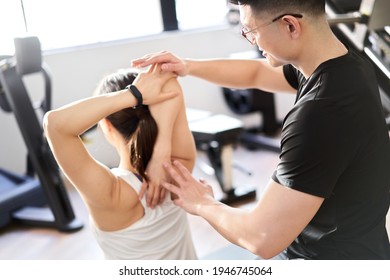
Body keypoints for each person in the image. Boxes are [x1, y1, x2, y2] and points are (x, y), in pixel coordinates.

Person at [131, 0, 390, 259]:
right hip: (366, 246)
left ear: (290, 25)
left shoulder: (319, 114)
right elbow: (256, 73)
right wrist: (186, 66)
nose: (251, 41)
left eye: (252, 31)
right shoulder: (347, 64)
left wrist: (202, 202)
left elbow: (261, 238)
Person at [43, 65, 198, 260]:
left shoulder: (112, 194)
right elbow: (168, 77)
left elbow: (54, 124)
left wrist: (133, 94)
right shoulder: (179, 169)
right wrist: (162, 148)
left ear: (106, 125)